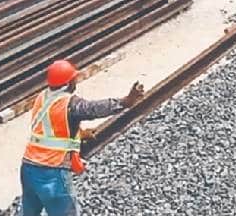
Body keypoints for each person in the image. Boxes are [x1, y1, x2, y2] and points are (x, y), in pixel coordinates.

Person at [20, 60, 144, 216]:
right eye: (74, 79)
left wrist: (80, 134)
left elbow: (50, 129)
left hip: (28, 167)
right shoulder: (69, 103)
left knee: (28, 211)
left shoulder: (42, 98)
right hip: (52, 169)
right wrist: (126, 102)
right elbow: (93, 109)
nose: (75, 81)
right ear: (68, 83)